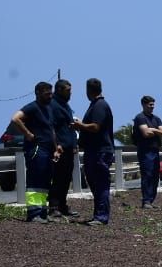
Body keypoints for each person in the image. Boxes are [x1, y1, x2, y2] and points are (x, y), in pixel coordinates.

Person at [10, 82, 60, 223]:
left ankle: (43, 212)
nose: (50, 96)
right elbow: (15, 118)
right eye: (47, 94)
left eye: (51, 93)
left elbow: (51, 130)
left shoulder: (49, 108)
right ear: (38, 93)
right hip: (37, 149)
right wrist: (27, 133)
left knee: (45, 182)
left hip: (49, 150)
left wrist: (56, 148)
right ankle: (34, 213)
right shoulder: (32, 107)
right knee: (35, 181)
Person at [72, 78, 115, 226]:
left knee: (100, 184)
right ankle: (99, 215)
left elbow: (96, 127)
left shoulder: (99, 106)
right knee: (96, 184)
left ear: (88, 91)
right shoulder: (96, 105)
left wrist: (80, 125)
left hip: (100, 151)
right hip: (94, 150)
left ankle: (101, 217)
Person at [48, 79, 79, 220]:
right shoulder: (53, 105)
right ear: (59, 90)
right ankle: (53, 207)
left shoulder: (65, 105)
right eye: (68, 90)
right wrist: (57, 145)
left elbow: (70, 126)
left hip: (69, 147)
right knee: (58, 178)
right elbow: (52, 127)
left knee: (66, 178)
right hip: (59, 149)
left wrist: (74, 144)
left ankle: (62, 205)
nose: (70, 93)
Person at [132, 95, 162, 208]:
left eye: (153, 104)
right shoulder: (140, 118)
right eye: (150, 104)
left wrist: (153, 129)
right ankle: (146, 201)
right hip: (145, 151)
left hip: (155, 150)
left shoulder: (156, 119)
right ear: (143, 104)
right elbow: (145, 134)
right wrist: (155, 131)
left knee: (155, 175)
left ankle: (151, 200)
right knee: (147, 174)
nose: (152, 106)